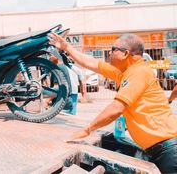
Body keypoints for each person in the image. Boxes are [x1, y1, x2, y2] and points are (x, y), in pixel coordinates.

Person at [49, 32, 177, 173]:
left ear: (125, 53)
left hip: (169, 149)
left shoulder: (139, 72)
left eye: (113, 49)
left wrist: (87, 130)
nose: (109, 53)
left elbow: (116, 108)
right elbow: (91, 63)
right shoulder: (124, 72)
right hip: (161, 149)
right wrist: (66, 47)